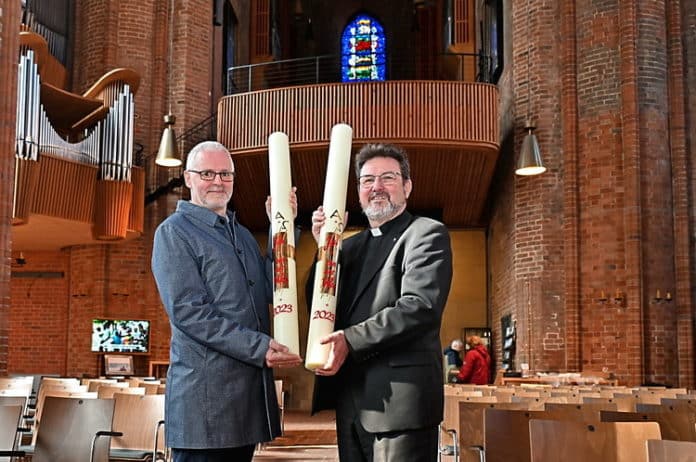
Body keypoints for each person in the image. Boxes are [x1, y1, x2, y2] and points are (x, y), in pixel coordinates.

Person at [151, 141, 302, 462]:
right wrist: (258, 347)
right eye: (207, 173)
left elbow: (272, 288)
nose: (217, 181)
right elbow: (190, 314)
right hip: (205, 405)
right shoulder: (174, 233)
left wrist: (281, 226)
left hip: (245, 400)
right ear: (188, 178)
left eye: (225, 174)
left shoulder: (242, 235)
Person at [309, 143, 453, 462]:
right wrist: (325, 251)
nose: (376, 187)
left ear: (407, 186)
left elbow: (419, 308)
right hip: (352, 404)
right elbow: (319, 303)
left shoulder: (426, 234)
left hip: (401, 405)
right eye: (367, 180)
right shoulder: (349, 247)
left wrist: (350, 339)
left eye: (388, 178)